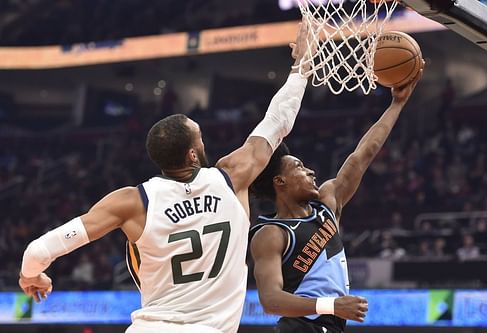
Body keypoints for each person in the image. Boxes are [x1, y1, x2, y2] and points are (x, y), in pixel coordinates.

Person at [18, 21, 313, 333]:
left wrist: (30, 276)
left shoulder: (133, 202)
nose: (204, 142)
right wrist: (302, 65)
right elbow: (277, 121)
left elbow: (38, 251)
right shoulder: (232, 177)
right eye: (200, 138)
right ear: (192, 154)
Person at [249, 69, 423, 333]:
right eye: (299, 167)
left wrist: (397, 104)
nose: (310, 171)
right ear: (279, 182)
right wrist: (330, 305)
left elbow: (363, 155)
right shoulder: (271, 233)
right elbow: (271, 301)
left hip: (332, 324)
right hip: (301, 326)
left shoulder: (327, 203)